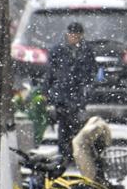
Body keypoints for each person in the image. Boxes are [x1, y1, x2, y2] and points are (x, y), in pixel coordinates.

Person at [42, 22, 97, 163]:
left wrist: (88, 88)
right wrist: (47, 93)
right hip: (62, 95)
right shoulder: (57, 50)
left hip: (77, 95)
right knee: (64, 126)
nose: (75, 38)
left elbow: (91, 72)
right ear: (67, 34)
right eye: (72, 35)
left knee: (77, 125)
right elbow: (50, 74)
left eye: (77, 35)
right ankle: (64, 154)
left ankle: (75, 153)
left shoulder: (86, 51)